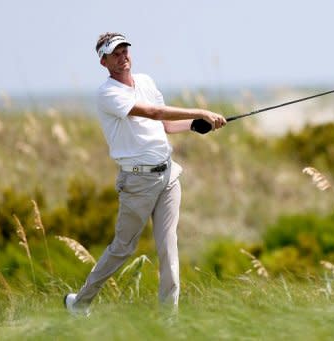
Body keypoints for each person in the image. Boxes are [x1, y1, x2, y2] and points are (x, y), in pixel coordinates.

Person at [64, 32, 226, 315]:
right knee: (122, 249)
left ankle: (168, 320)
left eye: (125, 50)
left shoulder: (147, 81)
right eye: (115, 53)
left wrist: (197, 125)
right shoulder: (107, 94)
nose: (122, 56)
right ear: (103, 62)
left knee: (168, 247)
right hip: (137, 182)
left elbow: (165, 125)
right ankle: (80, 304)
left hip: (168, 176)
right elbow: (153, 112)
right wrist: (201, 111)